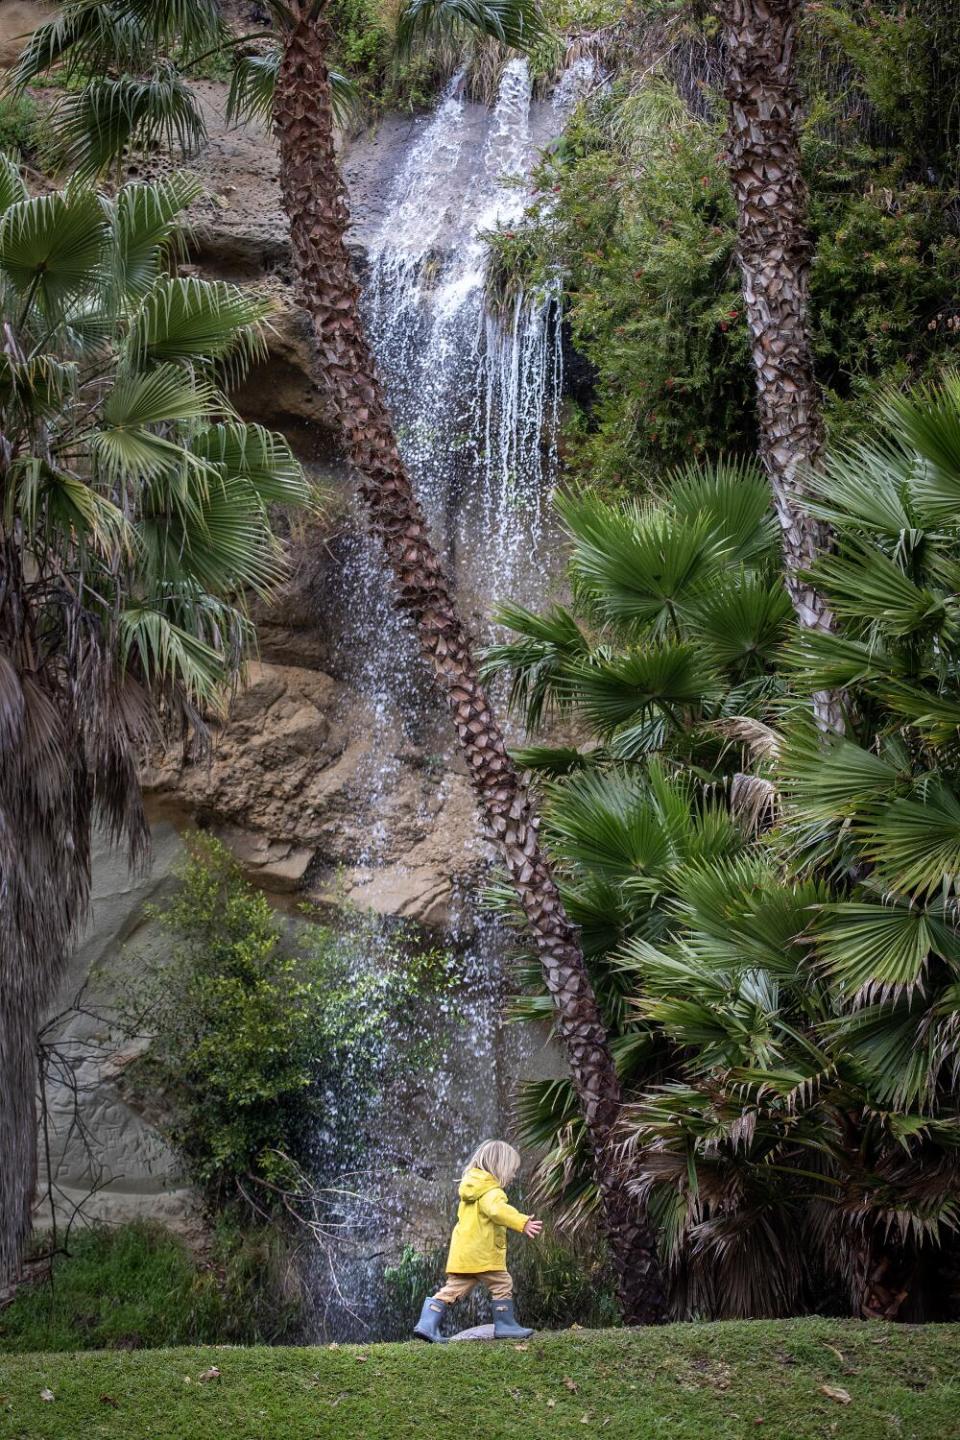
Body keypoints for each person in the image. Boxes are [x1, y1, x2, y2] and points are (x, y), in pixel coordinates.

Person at [413, 1139, 543, 1343]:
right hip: (483, 1254)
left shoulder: (470, 1187)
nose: (513, 1175)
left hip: (464, 1254)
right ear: (501, 1167)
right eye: (512, 1170)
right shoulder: (491, 1192)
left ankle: (427, 1325)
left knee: (453, 1290)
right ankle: (506, 1325)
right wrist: (522, 1222)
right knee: (502, 1283)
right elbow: (496, 1210)